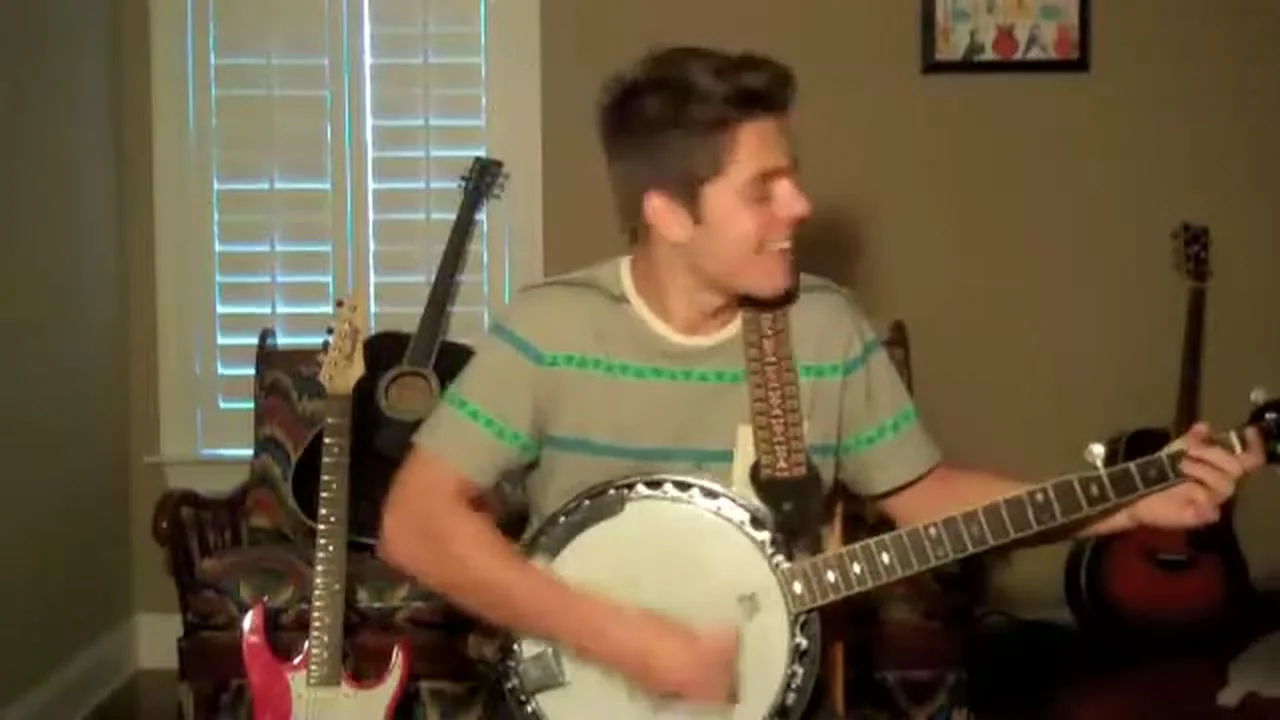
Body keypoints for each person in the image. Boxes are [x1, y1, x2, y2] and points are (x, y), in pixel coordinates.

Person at [377, 45, 1266, 716]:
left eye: (793, 179)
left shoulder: (820, 329)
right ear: (670, 213)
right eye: (764, 190)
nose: (799, 206)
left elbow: (929, 497)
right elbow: (416, 525)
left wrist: (1124, 502)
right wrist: (629, 639)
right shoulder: (551, 329)